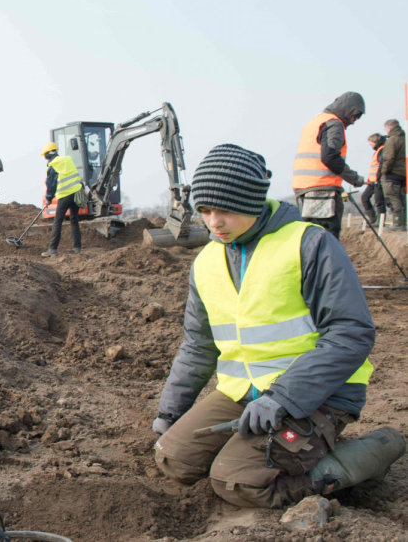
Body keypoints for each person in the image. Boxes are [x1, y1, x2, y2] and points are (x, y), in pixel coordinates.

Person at [152, 144, 405, 509]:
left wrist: (283, 397)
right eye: (204, 210)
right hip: (245, 394)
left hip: (318, 395)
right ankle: (260, 448)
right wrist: (169, 413)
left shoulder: (310, 244)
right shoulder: (206, 262)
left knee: (238, 482)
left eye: (224, 209)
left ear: (252, 201)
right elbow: (197, 345)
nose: (213, 222)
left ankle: (373, 451)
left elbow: (351, 332)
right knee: (173, 459)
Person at [292, 92, 366, 238]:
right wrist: (355, 178)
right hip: (322, 191)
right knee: (328, 241)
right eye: (355, 116)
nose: (353, 122)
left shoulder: (316, 122)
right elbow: (330, 157)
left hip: (305, 189)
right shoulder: (334, 124)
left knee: (312, 240)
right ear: (348, 110)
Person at [40, 142, 83, 257]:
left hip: (65, 195)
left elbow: (51, 184)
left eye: (45, 156)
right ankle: (77, 247)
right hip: (77, 192)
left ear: (48, 154)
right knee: (74, 220)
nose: (45, 158)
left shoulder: (53, 165)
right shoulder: (68, 160)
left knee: (58, 221)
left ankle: (52, 249)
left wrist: (49, 198)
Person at [380, 119, 406, 231]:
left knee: (393, 197)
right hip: (403, 173)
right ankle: (402, 222)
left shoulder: (392, 140)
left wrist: (384, 171)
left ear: (389, 128)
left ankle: (398, 224)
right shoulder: (404, 138)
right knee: (401, 198)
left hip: (392, 173)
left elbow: (389, 158)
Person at [360, 133, 386, 226]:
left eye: (371, 143)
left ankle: (380, 222)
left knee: (379, 201)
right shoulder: (377, 151)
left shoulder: (382, 150)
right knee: (364, 197)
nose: (370, 146)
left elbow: (381, 166)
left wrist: (379, 178)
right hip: (372, 181)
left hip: (378, 181)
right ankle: (373, 219)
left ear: (375, 142)